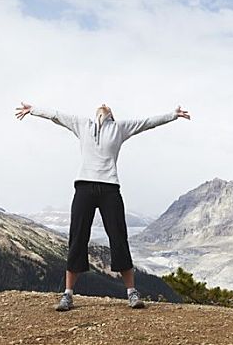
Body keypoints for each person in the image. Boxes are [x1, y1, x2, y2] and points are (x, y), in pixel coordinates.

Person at [15, 102, 191, 311]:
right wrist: (33, 109)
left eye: (107, 105)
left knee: (118, 237)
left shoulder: (119, 128)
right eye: (101, 105)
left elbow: (147, 123)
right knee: (77, 237)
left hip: (110, 190)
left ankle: (132, 293)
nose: (103, 105)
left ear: (111, 115)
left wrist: (173, 114)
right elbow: (56, 115)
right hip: (84, 187)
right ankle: (68, 295)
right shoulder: (82, 124)